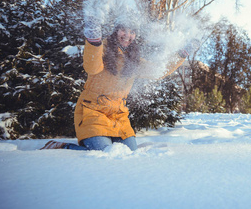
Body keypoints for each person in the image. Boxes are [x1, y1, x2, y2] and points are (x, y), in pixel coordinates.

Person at [41, 13, 196, 151]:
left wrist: (182, 54)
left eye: (132, 31)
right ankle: (64, 147)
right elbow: (92, 67)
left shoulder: (134, 60)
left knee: (128, 155)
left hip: (118, 117)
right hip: (92, 113)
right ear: (115, 30)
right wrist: (94, 42)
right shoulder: (102, 48)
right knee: (105, 155)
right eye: (124, 30)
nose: (127, 35)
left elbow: (158, 71)